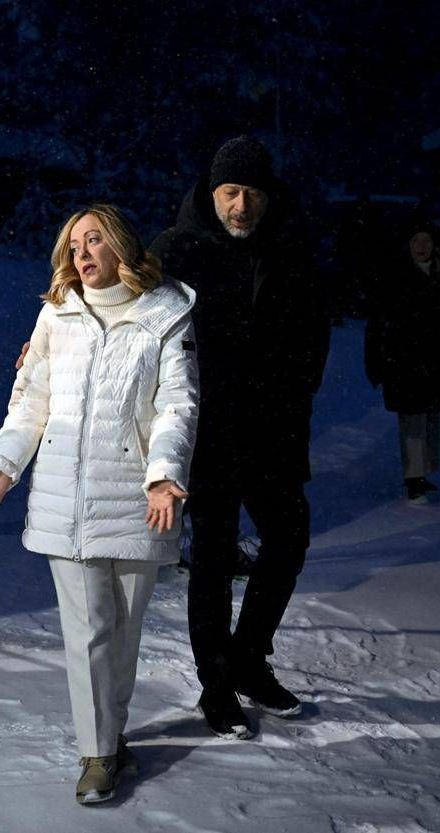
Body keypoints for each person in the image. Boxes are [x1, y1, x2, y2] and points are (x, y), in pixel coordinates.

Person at [0, 204, 197, 804]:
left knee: (123, 632)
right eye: (74, 246)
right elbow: (31, 401)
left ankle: (111, 734)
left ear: (121, 244)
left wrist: (164, 475)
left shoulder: (167, 313)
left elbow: (177, 404)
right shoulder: (57, 313)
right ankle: (96, 754)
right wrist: (4, 462)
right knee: (89, 630)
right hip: (66, 498)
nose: (82, 253)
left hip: (140, 500)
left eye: (94, 240)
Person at [149, 136, 330, 738]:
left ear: (269, 195)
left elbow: (316, 328)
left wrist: (300, 388)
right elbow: (125, 320)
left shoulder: (292, 246)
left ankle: (249, 658)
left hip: (276, 429)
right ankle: (217, 682)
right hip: (209, 431)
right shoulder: (176, 250)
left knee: (288, 540)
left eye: (252, 193)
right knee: (214, 556)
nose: (241, 205)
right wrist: (51, 342)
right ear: (212, 193)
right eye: (231, 192)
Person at [364, 220, 440, 502]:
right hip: (404, 358)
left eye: (426, 240)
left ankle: (424, 471)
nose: (421, 246)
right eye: (415, 241)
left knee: (431, 414)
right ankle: (414, 477)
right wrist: (377, 360)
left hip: (435, 357)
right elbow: (378, 319)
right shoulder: (394, 274)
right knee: (412, 416)